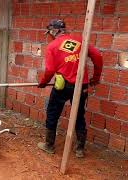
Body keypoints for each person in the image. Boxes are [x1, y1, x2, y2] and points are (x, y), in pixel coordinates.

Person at [37, 19, 103, 158]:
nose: (49, 35)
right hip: (81, 86)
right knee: (79, 114)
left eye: (49, 32)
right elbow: (97, 56)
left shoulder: (52, 46)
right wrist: (96, 78)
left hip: (63, 86)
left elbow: (50, 70)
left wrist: (43, 82)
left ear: (54, 31)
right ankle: (79, 149)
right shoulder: (79, 40)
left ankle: (49, 145)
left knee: (53, 112)